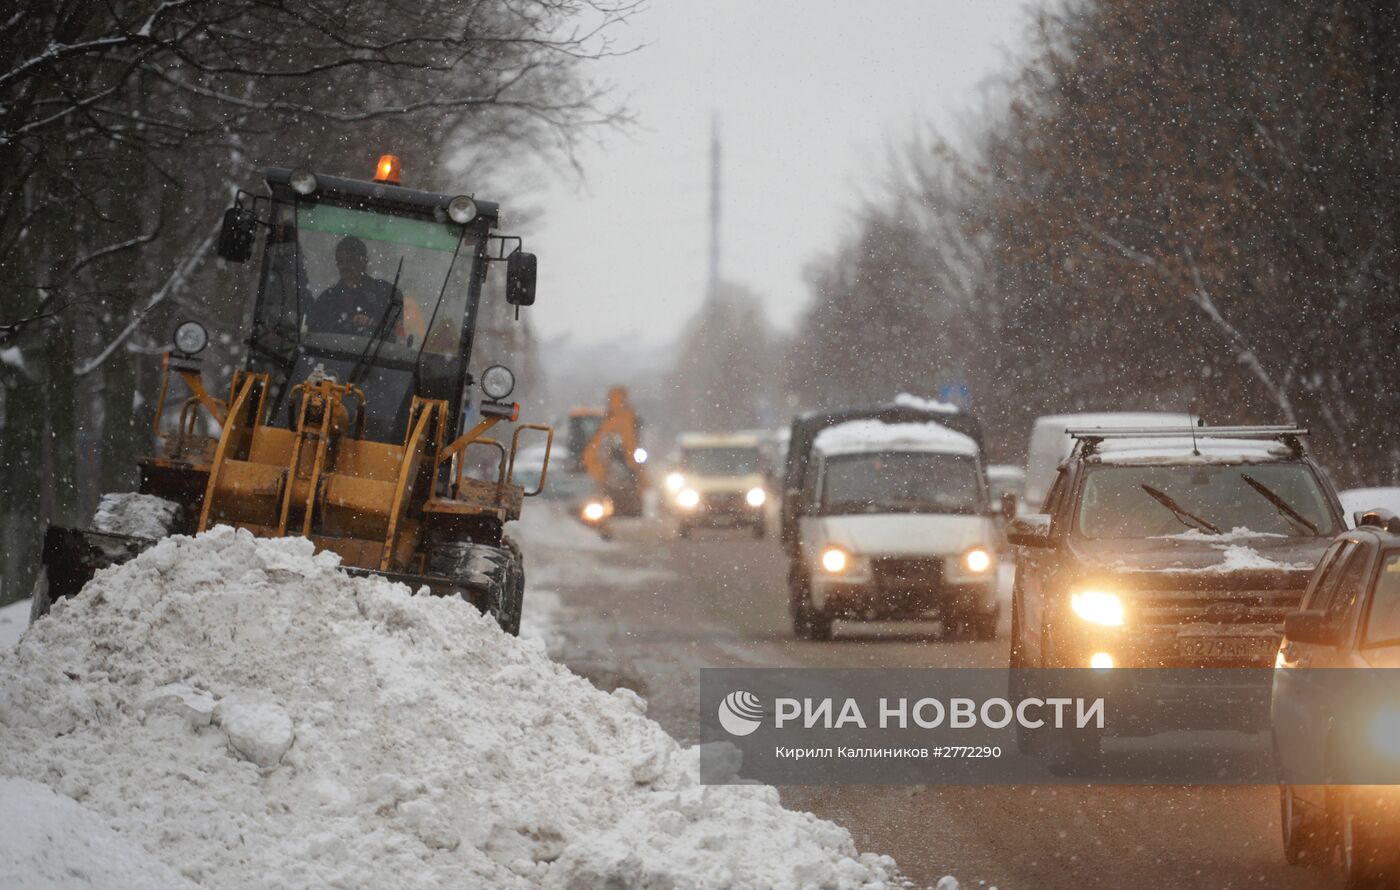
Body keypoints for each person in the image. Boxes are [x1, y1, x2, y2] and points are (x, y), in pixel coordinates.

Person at [308, 236, 404, 339]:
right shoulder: (326, 299)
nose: (345, 266)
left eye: (350, 260)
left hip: (375, 354)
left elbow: (394, 334)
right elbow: (315, 333)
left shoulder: (386, 293)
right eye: (340, 261)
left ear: (364, 262)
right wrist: (348, 322)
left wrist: (371, 324)